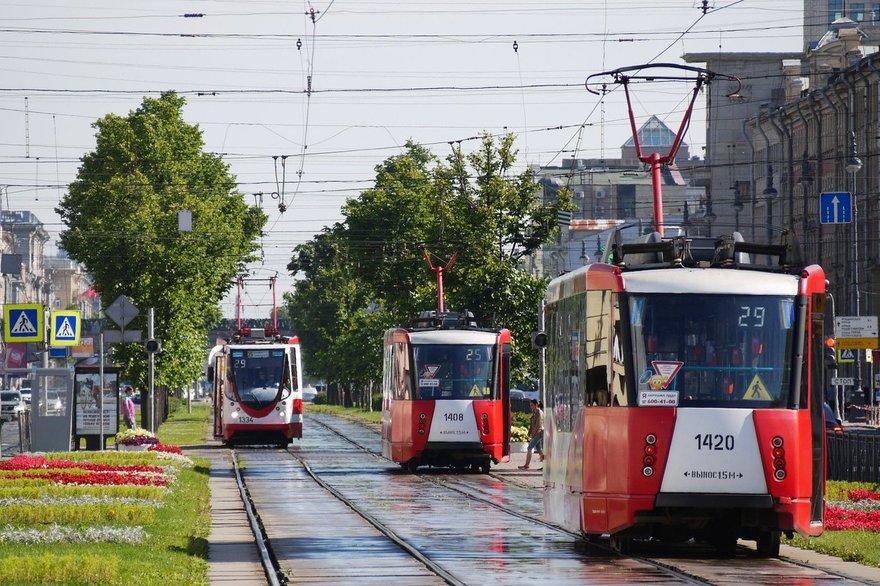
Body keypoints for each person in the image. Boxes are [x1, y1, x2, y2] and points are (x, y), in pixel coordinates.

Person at [519, 399, 544, 470]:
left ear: (536, 405)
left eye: (532, 405)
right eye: (530, 405)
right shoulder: (535, 412)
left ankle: (527, 465)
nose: (531, 407)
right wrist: (529, 432)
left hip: (538, 433)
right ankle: (545, 465)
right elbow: (532, 424)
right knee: (539, 450)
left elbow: (538, 425)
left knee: (529, 448)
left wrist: (533, 434)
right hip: (536, 433)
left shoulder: (539, 412)